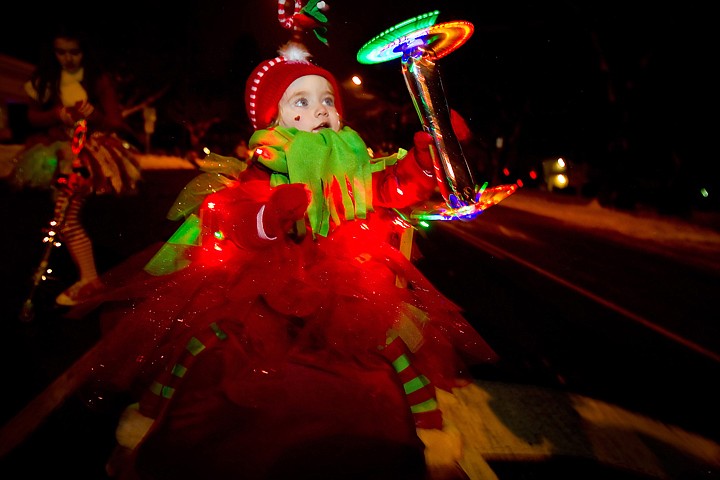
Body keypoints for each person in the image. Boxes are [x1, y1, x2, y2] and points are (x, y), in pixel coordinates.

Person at [90, 39, 497, 480]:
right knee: (204, 340)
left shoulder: (353, 158)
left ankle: (436, 445)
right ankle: (142, 429)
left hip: (345, 270)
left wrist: (429, 156)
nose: (320, 109)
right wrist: (269, 215)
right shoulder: (267, 162)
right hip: (267, 272)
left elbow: (393, 187)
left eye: (327, 100)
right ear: (275, 117)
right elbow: (239, 214)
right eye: (302, 101)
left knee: (394, 347)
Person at [8, 25, 141, 306]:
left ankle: (90, 280)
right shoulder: (45, 79)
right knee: (64, 216)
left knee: (66, 218)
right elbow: (32, 116)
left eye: (74, 52)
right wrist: (57, 114)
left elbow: (115, 121)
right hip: (57, 151)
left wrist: (95, 115)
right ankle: (87, 277)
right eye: (61, 52)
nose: (68, 59)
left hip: (88, 153)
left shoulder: (97, 79)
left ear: (84, 51)